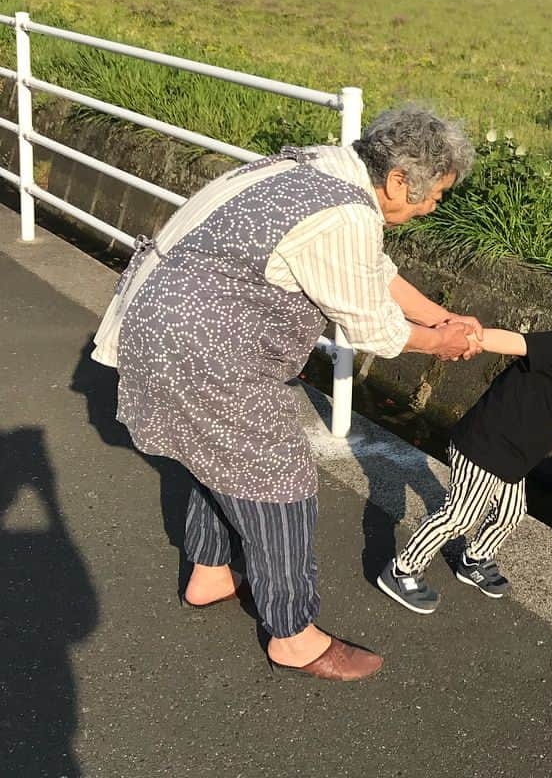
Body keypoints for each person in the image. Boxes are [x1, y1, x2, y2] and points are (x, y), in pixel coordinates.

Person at [91, 104, 482, 681]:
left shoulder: (320, 169)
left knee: (216, 455)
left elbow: (374, 271)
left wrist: (444, 316)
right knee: (280, 482)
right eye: (435, 194)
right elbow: (374, 328)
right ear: (400, 179)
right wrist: (438, 342)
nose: (434, 206)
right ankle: (293, 635)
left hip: (161, 322)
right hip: (206, 348)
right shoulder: (345, 215)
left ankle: (211, 573)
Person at [377, 291, 552, 614]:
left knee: (511, 514)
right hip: (483, 446)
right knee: (460, 515)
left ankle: (475, 559)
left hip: (513, 461)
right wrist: (476, 337)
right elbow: (516, 342)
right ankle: (403, 570)